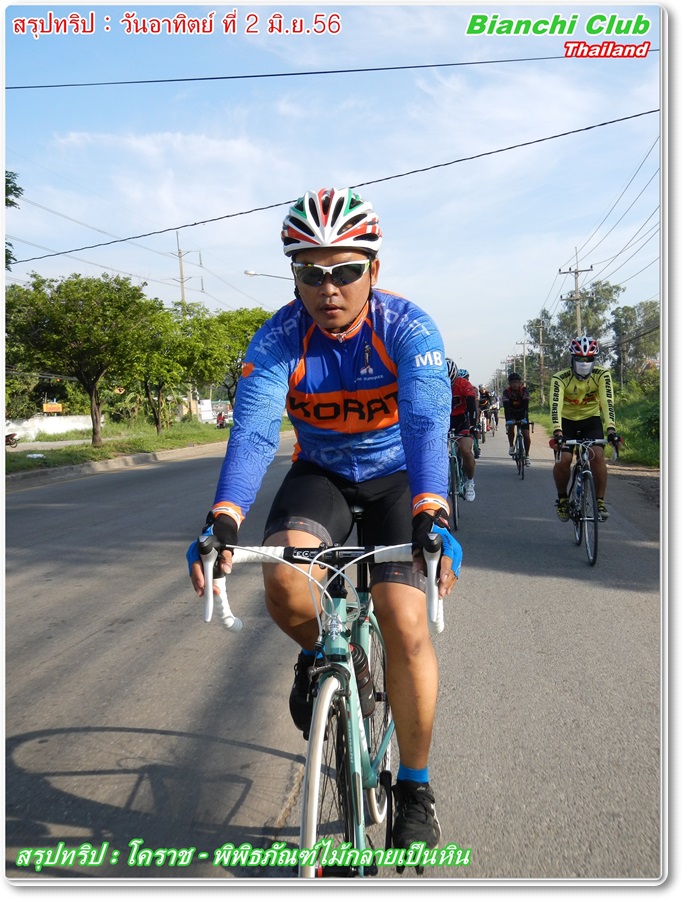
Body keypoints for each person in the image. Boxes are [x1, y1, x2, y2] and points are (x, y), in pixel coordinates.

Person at [187, 187, 462, 851]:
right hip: (324, 476)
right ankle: (322, 656)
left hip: (400, 480)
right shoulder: (279, 337)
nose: (327, 287)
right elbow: (255, 430)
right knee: (285, 584)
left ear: (374, 269)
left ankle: (415, 788)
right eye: (310, 273)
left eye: (344, 270)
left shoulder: (408, 329)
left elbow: (426, 421)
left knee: (403, 622)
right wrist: (224, 519)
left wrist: (433, 510)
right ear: (294, 276)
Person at [550, 336, 619, 521]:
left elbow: (607, 402)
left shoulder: (602, 375)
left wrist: (611, 429)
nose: (584, 363)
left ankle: (599, 501)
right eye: (580, 359)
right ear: (572, 359)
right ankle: (563, 499)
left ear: (594, 359)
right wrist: (557, 431)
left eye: (588, 359)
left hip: (591, 420)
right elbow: (555, 405)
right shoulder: (560, 378)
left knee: (597, 456)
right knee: (564, 460)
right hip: (566, 422)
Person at [446, 358, 478, 501]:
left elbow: (472, 406)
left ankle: (470, 482)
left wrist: (473, 425)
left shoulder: (464, 384)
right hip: (444, 420)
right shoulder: (435, 385)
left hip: (462, 421)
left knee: (466, 451)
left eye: (451, 382)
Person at [502, 373, 531, 463]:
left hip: (522, 413)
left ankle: (527, 455)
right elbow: (506, 408)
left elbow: (526, 406)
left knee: (526, 434)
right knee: (511, 427)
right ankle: (511, 446)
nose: (515, 384)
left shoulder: (524, 390)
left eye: (517, 382)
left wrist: (524, 418)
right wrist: (508, 420)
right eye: (513, 382)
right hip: (512, 413)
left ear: (520, 383)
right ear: (510, 383)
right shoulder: (506, 392)